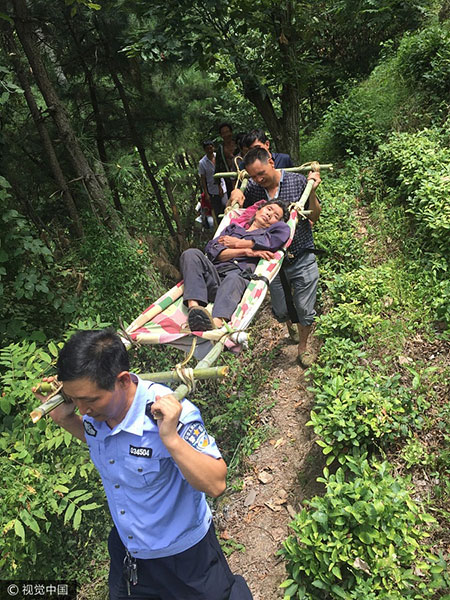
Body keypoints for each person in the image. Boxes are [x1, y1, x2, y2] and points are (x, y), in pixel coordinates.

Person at [33, 330, 253, 600]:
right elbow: (108, 446)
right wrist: (65, 419)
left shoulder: (167, 414)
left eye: (89, 400)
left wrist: (170, 439)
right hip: (129, 553)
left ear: (123, 381)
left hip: (185, 559)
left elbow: (216, 483)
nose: (82, 410)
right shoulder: (97, 413)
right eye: (73, 399)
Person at [230, 147, 321, 367]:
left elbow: (315, 216)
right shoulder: (253, 189)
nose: (258, 179)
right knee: (280, 308)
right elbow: (243, 214)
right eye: (253, 176)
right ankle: (290, 324)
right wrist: (235, 197)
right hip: (270, 262)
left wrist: (313, 192)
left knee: (305, 306)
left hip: (300, 252)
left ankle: (303, 348)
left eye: (261, 173)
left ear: (271, 162)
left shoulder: (298, 182)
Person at [181, 200, 290, 331]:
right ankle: (194, 311)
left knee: (234, 278)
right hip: (213, 277)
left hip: (236, 280)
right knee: (191, 254)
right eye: (269, 209)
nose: (269, 214)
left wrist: (237, 243)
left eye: (276, 216)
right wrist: (246, 251)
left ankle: (216, 322)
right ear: (258, 210)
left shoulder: (268, 235)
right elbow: (213, 251)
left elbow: (273, 240)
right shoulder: (232, 229)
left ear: (276, 224)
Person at [198, 140, 223, 224]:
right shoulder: (202, 163)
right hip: (212, 190)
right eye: (207, 148)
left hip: (224, 187)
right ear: (205, 150)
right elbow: (203, 179)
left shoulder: (219, 157)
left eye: (211, 147)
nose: (209, 150)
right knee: (218, 212)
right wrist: (206, 193)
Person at [214, 122, 238, 198]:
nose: (226, 135)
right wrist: (219, 186)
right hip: (229, 181)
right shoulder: (220, 149)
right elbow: (217, 167)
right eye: (223, 133)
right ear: (221, 135)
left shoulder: (238, 144)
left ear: (231, 132)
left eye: (227, 132)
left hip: (242, 176)